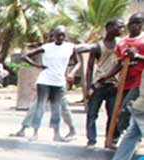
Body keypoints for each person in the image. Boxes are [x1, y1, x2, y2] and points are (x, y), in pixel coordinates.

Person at [21, 27, 78, 142]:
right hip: (45, 81)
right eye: (58, 35)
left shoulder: (70, 47)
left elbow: (76, 62)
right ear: (53, 36)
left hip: (59, 81)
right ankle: (35, 133)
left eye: (63, 35)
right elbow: (25, 56)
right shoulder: (47, 48)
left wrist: (70, 72)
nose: (60, 38)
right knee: (39, 107)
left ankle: (56, 134)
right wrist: (37, 65)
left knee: (56, 108)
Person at [99, 13, 144, 148]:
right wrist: (106, 76)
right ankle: (117, 141)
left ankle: (133, 139)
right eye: (132, 23)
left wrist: (136, 56)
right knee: (117, 112)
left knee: (125, 111)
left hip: (139, 82)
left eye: (138, 23)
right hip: (124, 82)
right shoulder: (122, 42)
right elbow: (119, 63)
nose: (134, 26)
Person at [84, 19, 124, 147]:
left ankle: (111, 140)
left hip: (114, 84)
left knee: (113, 115)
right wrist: (88, 87)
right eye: (119, 27)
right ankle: (91, 140)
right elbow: (89, 68)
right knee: (92, 114)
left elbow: (123, 64)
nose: (121, 30)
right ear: (109, 28)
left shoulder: (121, 44)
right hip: (99, 84)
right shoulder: (97, 46)